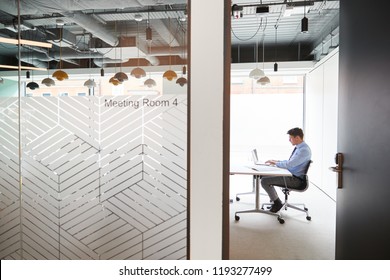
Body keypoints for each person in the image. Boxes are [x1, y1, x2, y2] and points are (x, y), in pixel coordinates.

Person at [262, 127, 312, 213]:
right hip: (291, 175)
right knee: (265, 176)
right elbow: (290, 162)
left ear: (297, 138)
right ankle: (275, 200)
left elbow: (290, 164)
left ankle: (277, 203)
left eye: (290, 138)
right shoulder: (300, 148)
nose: (289, 140)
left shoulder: (304, 150)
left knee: (264, 181)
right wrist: (277, 161)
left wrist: (276, 163)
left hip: (295, 180)